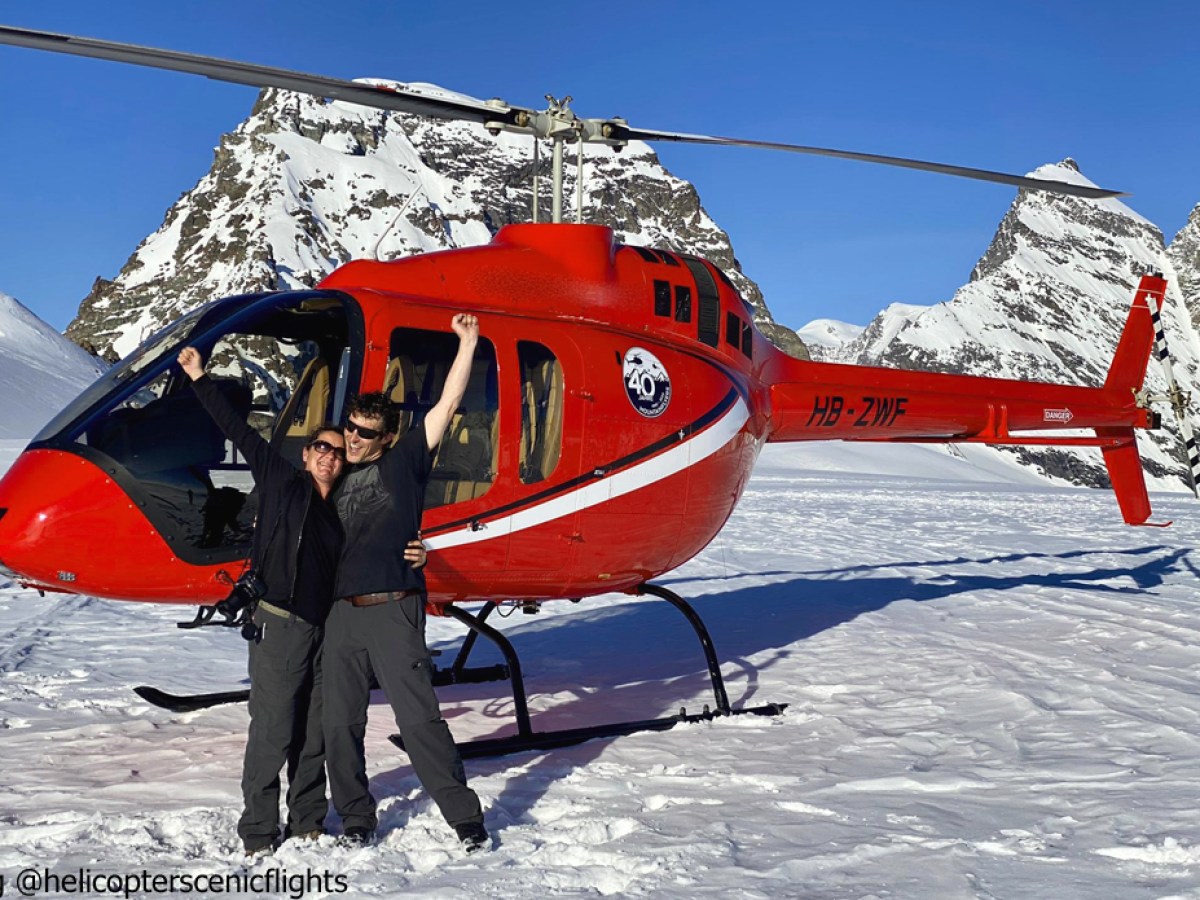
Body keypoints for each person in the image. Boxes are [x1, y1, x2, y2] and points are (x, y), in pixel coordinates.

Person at [177, 346, 361, 856]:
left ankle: (306, 821)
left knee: (315, 732)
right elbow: (239, 431)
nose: (328, 455)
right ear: (306, 455)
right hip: (280, 624)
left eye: (337, 450)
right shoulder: (282, 481)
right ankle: (259, 830)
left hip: (327, 630)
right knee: (274, 731)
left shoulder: (345, 506)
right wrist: (198, 377)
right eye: (320, 447)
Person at [323, 312, 488, 854]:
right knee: (340, 723)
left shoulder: (404, 463)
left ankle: (465, 820)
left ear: (387, 437)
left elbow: (445, 407)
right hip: (340, 613)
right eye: (349, 428)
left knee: (418, 719)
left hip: (394, 608)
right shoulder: (334, 471)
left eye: (365, 433)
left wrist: (467, 344)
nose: (352, 439)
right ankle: (356, 820)